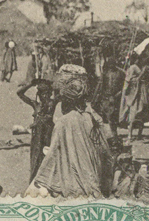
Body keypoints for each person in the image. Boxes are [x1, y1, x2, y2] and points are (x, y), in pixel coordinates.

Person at [28, 65, 114, 198]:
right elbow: (105, 154)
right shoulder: (92, 117)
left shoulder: (63, 122)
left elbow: (52, 156)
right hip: (94, 179)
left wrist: (40, 178)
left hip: (72, 186)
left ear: (65, 101)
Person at [17, 78, 57, 182]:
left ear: (49, 94)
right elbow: (19, 93)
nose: (44, 96)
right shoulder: (36, 105)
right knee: (35, 158)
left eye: (46, 94)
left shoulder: (52, 104)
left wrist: (51, 83)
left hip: (47, 135)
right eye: (41, 94)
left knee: (47, 157)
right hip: (37, 136)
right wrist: (30, 84)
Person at [118, 58, 149, 145]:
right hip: (136, 92)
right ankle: (136, 134)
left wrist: (124, 90)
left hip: (134, 93)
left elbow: (128, 80)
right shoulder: (138, 69)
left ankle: (130, 135)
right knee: (137, 113)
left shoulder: (133, 68)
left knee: (133, 113)